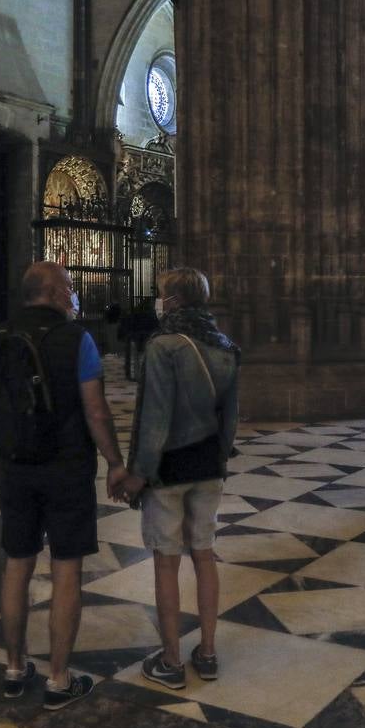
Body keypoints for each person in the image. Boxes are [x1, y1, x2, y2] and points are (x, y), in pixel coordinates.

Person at [0, 261, 128, 710]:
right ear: (59, 293)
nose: (75, 295)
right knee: (66, 569)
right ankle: (59, 679)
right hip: (66, 468)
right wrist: (115, 462)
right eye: (73, 288)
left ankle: (14, 669)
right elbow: (96, 411)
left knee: (17, 565)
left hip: (15, 467)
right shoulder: (76, 339)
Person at [112, 267, 240, 690]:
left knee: (167, 563)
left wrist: (137, 474)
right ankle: (207, 652)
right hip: (209, 466)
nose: (158, 300)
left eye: (161, 294)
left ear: (175, 301)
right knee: (204, 554)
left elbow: (155, 418)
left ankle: (170, 660)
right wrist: (218, 457)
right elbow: (231, 418)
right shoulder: (225, 347)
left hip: (168, 469)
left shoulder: (164, 346)